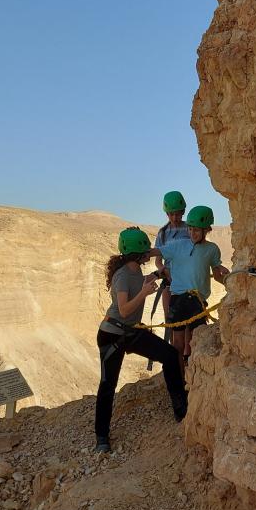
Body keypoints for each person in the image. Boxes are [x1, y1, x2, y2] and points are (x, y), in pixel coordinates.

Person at [95, 226, 188, 453]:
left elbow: (139, 282)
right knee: (108, 384)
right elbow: (124, 309)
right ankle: (101, 437)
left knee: (168, 355)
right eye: (145, 250)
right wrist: (145, 293)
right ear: (138, 253)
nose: (149, 253)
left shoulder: (133, 270)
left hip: (130, 332)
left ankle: (180, 409)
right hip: (113, 334)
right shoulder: (123, 276)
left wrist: (157, 275)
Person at [151, 205, 229, 375]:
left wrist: (231, 284)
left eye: (196, 231)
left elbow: (216, 275)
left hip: (198, 301)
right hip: (178, 299)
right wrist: (136, 252)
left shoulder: (212, 249)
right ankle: (178, 377)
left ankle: (192, 378)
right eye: (190, 229)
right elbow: (155, 252)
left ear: (207, 230)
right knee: (177, 342)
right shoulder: (177, 245)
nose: (192, 233)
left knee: (195, 342)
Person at [153, 191, 189, 340]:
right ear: (167, 213)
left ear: (183, 212)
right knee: (171, 322)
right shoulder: (162, 233)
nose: (175, 218)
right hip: (169, 281)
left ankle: (188, 359)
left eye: (178, 214)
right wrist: (164, 270)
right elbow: (157, 260)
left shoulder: (190, 228)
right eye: (171, 214)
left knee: (188, 323)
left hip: (187, 280)